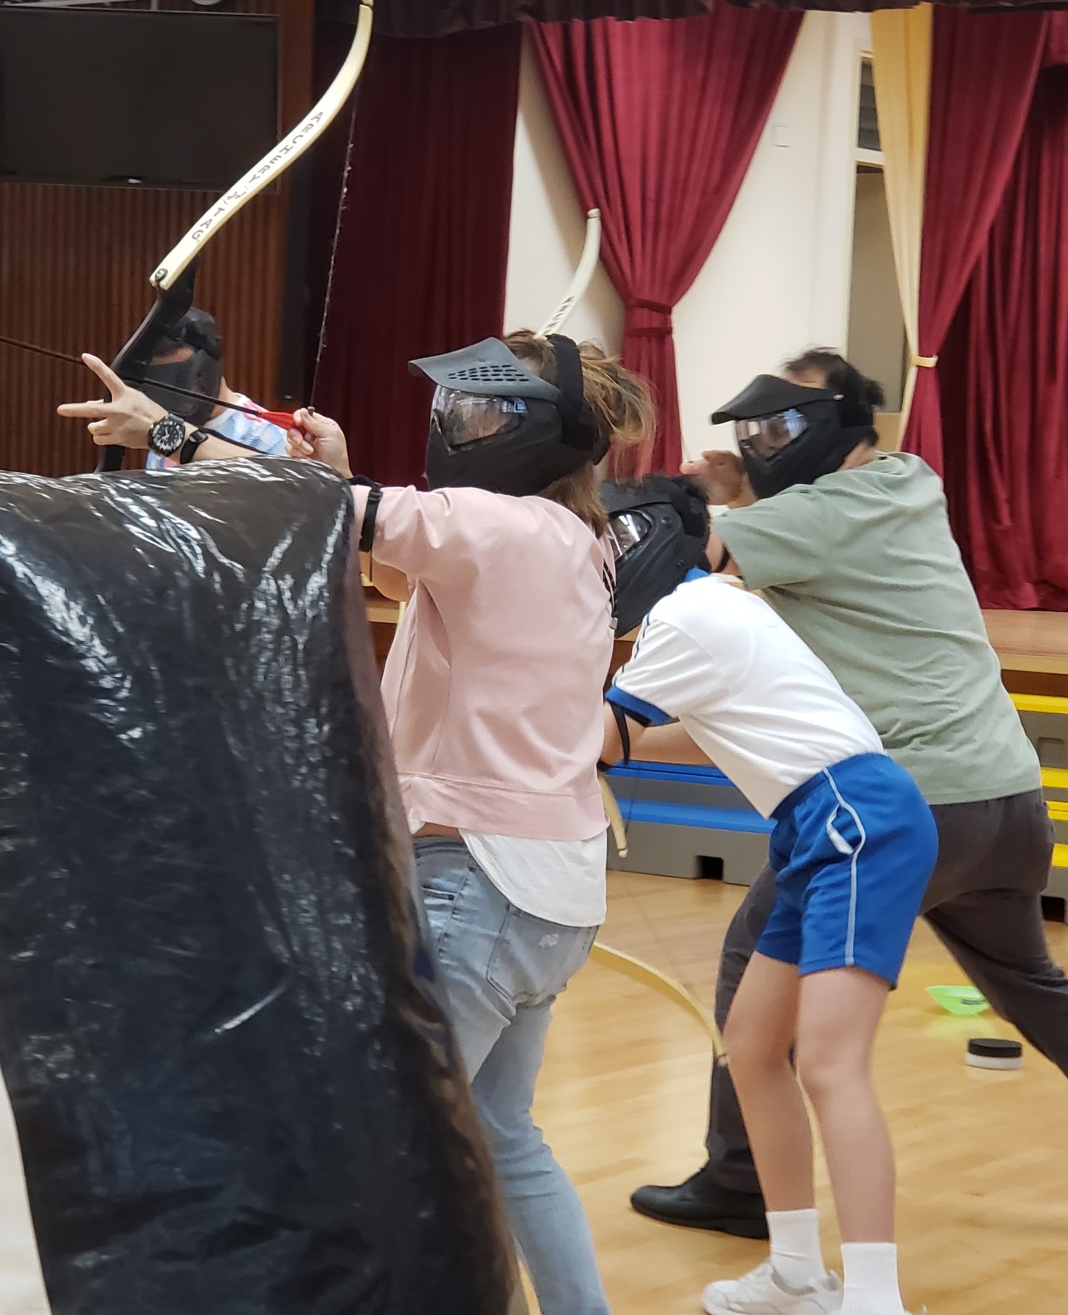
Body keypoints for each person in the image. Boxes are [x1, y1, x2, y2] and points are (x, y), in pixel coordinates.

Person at [61, 330, 655, 1315]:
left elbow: (313, 513)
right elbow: (388, 564)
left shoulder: (495, 526)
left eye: (484, 410)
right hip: (550, 896)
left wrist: (166, 429)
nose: (459, 424)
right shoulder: (571, 541)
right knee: (501, 1136)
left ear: (537, 432)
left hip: (479, 887)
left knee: (388, 1149)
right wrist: (339, 474)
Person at [628, 350, 1068, 1240]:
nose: (762, 442)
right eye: (756, 428)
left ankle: (739, 1178)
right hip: (1006, 798)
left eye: (780, 425)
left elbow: (681, 546)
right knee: (1033, 983)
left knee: (753, 965)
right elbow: (784, 529)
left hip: (905, 807)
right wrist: (745, 488)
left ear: (835, 424)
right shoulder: (908, 483)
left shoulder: (820, 513)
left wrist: (681, 495)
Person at [601, 477, 936, 1315]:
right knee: (753, 1046)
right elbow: (698, 736)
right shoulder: (715, 607)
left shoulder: (683, 618)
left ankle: (875, 1302)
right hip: (816, 824)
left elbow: (601, 740)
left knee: (829, 1063)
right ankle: (794, 1273)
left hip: (854, 819)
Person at [138, 308, 291, 467]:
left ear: (206, 370)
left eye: (182, 382)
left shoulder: (268, 438)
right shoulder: (167, 429)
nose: (173, 401)